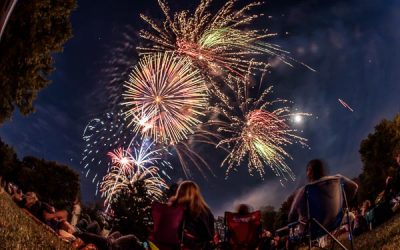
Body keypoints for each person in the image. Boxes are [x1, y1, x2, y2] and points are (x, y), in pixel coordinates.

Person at [288, 159, 358, 223]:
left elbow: (291, 215)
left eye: (307, 170)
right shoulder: (338, 178)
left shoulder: (305, 189)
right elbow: (355, 187)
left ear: (310, 172)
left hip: (314, 227)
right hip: (337, 221)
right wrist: (343, 203)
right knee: (351, 215)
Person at [169, 180, 215, 249]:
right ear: (197, 193)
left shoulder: (174, 208)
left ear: (179, 192)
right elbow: (209, 235)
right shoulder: (206, 211)